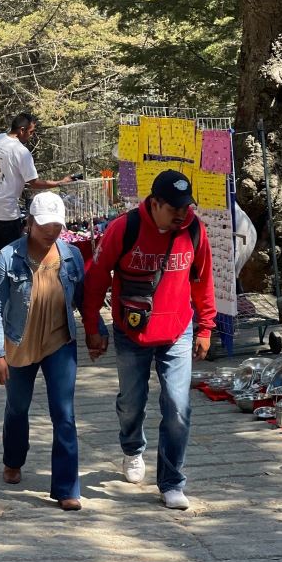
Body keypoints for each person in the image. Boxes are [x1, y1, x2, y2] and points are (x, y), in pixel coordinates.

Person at [82, 170, 215, 510]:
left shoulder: (194, 230)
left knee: (178, 406)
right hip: (131, 333)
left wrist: (205, 328)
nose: (182, 215)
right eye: (174, 209)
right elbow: (96, 278)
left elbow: (202, 281)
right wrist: (92, 325)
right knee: (132, 401)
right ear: (155, 204)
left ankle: (172, 482)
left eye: (186, 207)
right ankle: (132, 447)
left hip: (177, 331)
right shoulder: (123, 229)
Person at [0, 193, 99, 512]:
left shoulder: (72, 256)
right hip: (19, 343)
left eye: (57, 225)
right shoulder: (8, 257)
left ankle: (66, 487)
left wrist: (95, 331)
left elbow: (85, 299)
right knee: (17, 407)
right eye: (44, 224)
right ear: (30, 223)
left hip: (59, 342)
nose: (51, 231)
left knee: (64, 413)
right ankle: (13, 459)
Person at [0, 113, 74, 300]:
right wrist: (59, 182)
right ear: (22, 130)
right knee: (11, 250)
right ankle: (11, 286)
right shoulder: (21, 152)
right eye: (31, 132)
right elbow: (33, 182)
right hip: (5, 209)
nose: (31, 136)